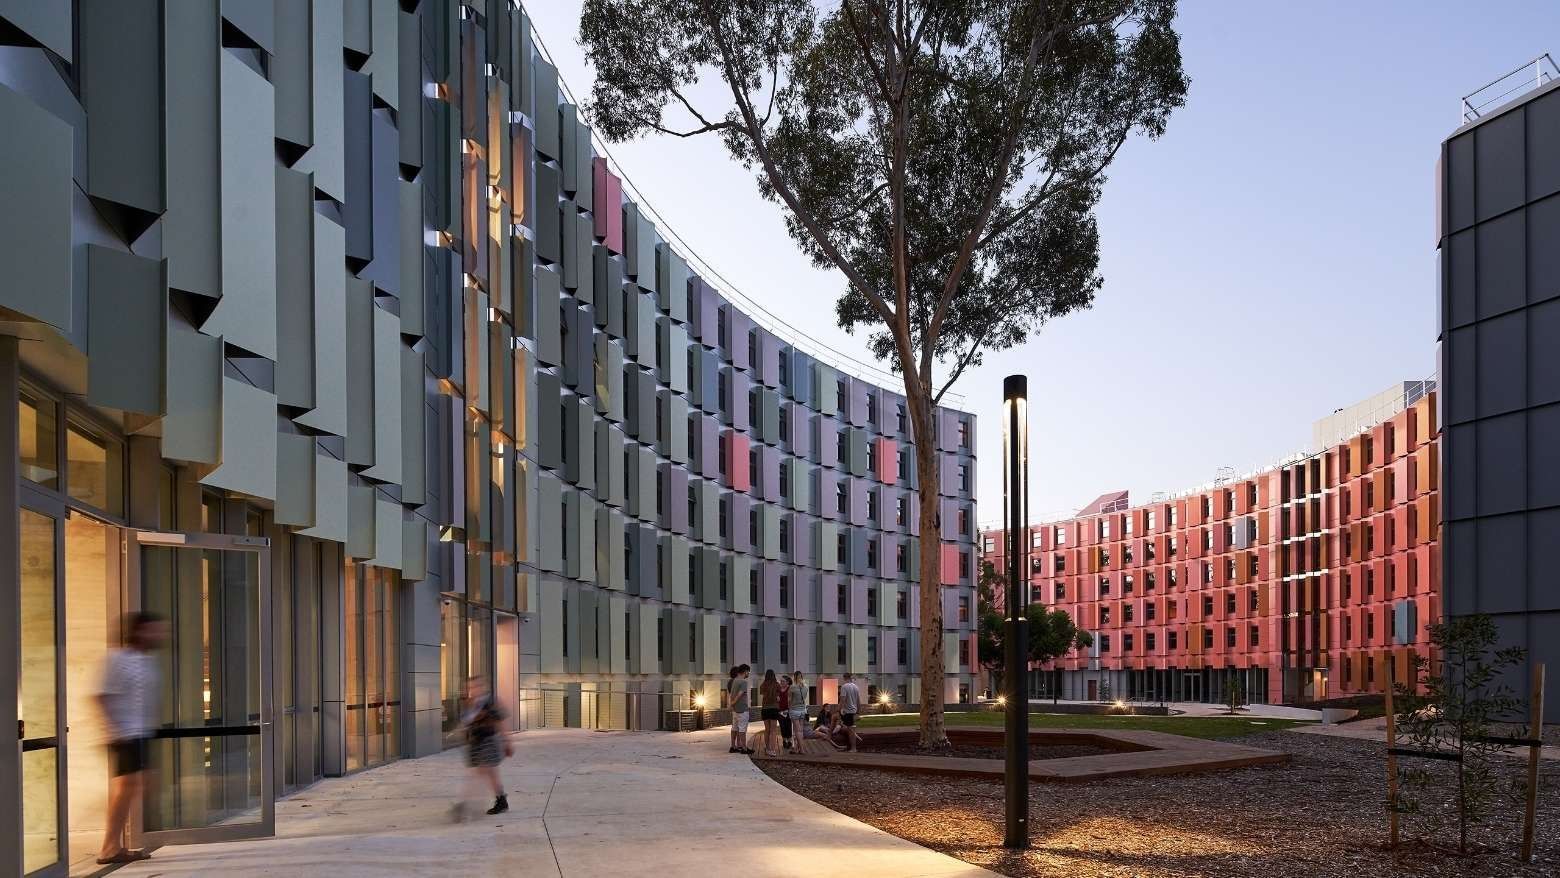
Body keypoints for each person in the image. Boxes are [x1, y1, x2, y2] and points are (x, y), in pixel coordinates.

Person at [97, 612, 169, 865]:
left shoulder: (148, 661)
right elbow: (100, 695)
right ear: (139, 631)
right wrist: (113, 731)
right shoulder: (116, 658)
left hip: (141, 733)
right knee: (126, 789)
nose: (160, 635)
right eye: (155, 630)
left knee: (139, 786)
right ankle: (109, 848)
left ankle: (117, 845)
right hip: (124, 734)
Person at [452, 677, 511, 821]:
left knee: (477, 772)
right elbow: (466, 722)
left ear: (482, 687)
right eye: (470, 687)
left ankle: (462, 804)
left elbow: (501, 723)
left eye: (476, 687)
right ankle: (501, 800)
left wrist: (507, 741)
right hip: (475, 743)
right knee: (491, 774)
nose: (473, 690)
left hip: (488, 742)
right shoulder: (469, 704)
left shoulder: (491, 703)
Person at [728, 665, 752, 754]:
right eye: (748, 672)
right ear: (745, 671)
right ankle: (744, 748)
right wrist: (733, 703)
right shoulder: (743, 682)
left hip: (735, 710)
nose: (748, 674)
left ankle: (733, 746)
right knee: (742, 729)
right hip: (742, 709)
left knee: (734, 728)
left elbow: (732, 694)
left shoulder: (734, 681)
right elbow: (740, 694)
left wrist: (731, 704)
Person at [758, 670, 782, 757]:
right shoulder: (777, 684)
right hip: (774, 709)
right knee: (773, 730)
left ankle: (767, 748)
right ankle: (772, 750)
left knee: (767, 730)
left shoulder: (763, 685)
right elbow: (779, 696)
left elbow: (763, 695)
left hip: (765, 709)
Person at [787, 672, 810, 755]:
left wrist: (789, 709)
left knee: (797, 731)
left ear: (794, 677)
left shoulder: (792, 687)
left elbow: (789, 700)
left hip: (794, 710)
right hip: (802, 710)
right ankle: (797, 748)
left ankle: (802, 749)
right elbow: (804, 698)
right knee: (801, 731)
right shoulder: (806, 687)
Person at [838, 673, 862, 752]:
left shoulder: (844, 687)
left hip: (847, 712)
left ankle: (853, 748)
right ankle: (852, 747)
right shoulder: (856, 687)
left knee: (851, 730)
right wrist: (858, 712)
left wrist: (838, 709)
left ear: (844, 678)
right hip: (854, 711)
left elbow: (842, 700)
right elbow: (858, 701)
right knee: (851, 729)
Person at [778, 675, 793, 751]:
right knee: (782, 726)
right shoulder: (778, 689)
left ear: (787, 682)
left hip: (788, 711)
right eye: (781, 681)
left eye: (783, 681)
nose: (781, 682)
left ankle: (790, 740)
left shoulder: (790, 689)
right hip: (780, 711)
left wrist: (790, 709)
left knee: (788, 726)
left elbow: (792, 700)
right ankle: (784, 740)